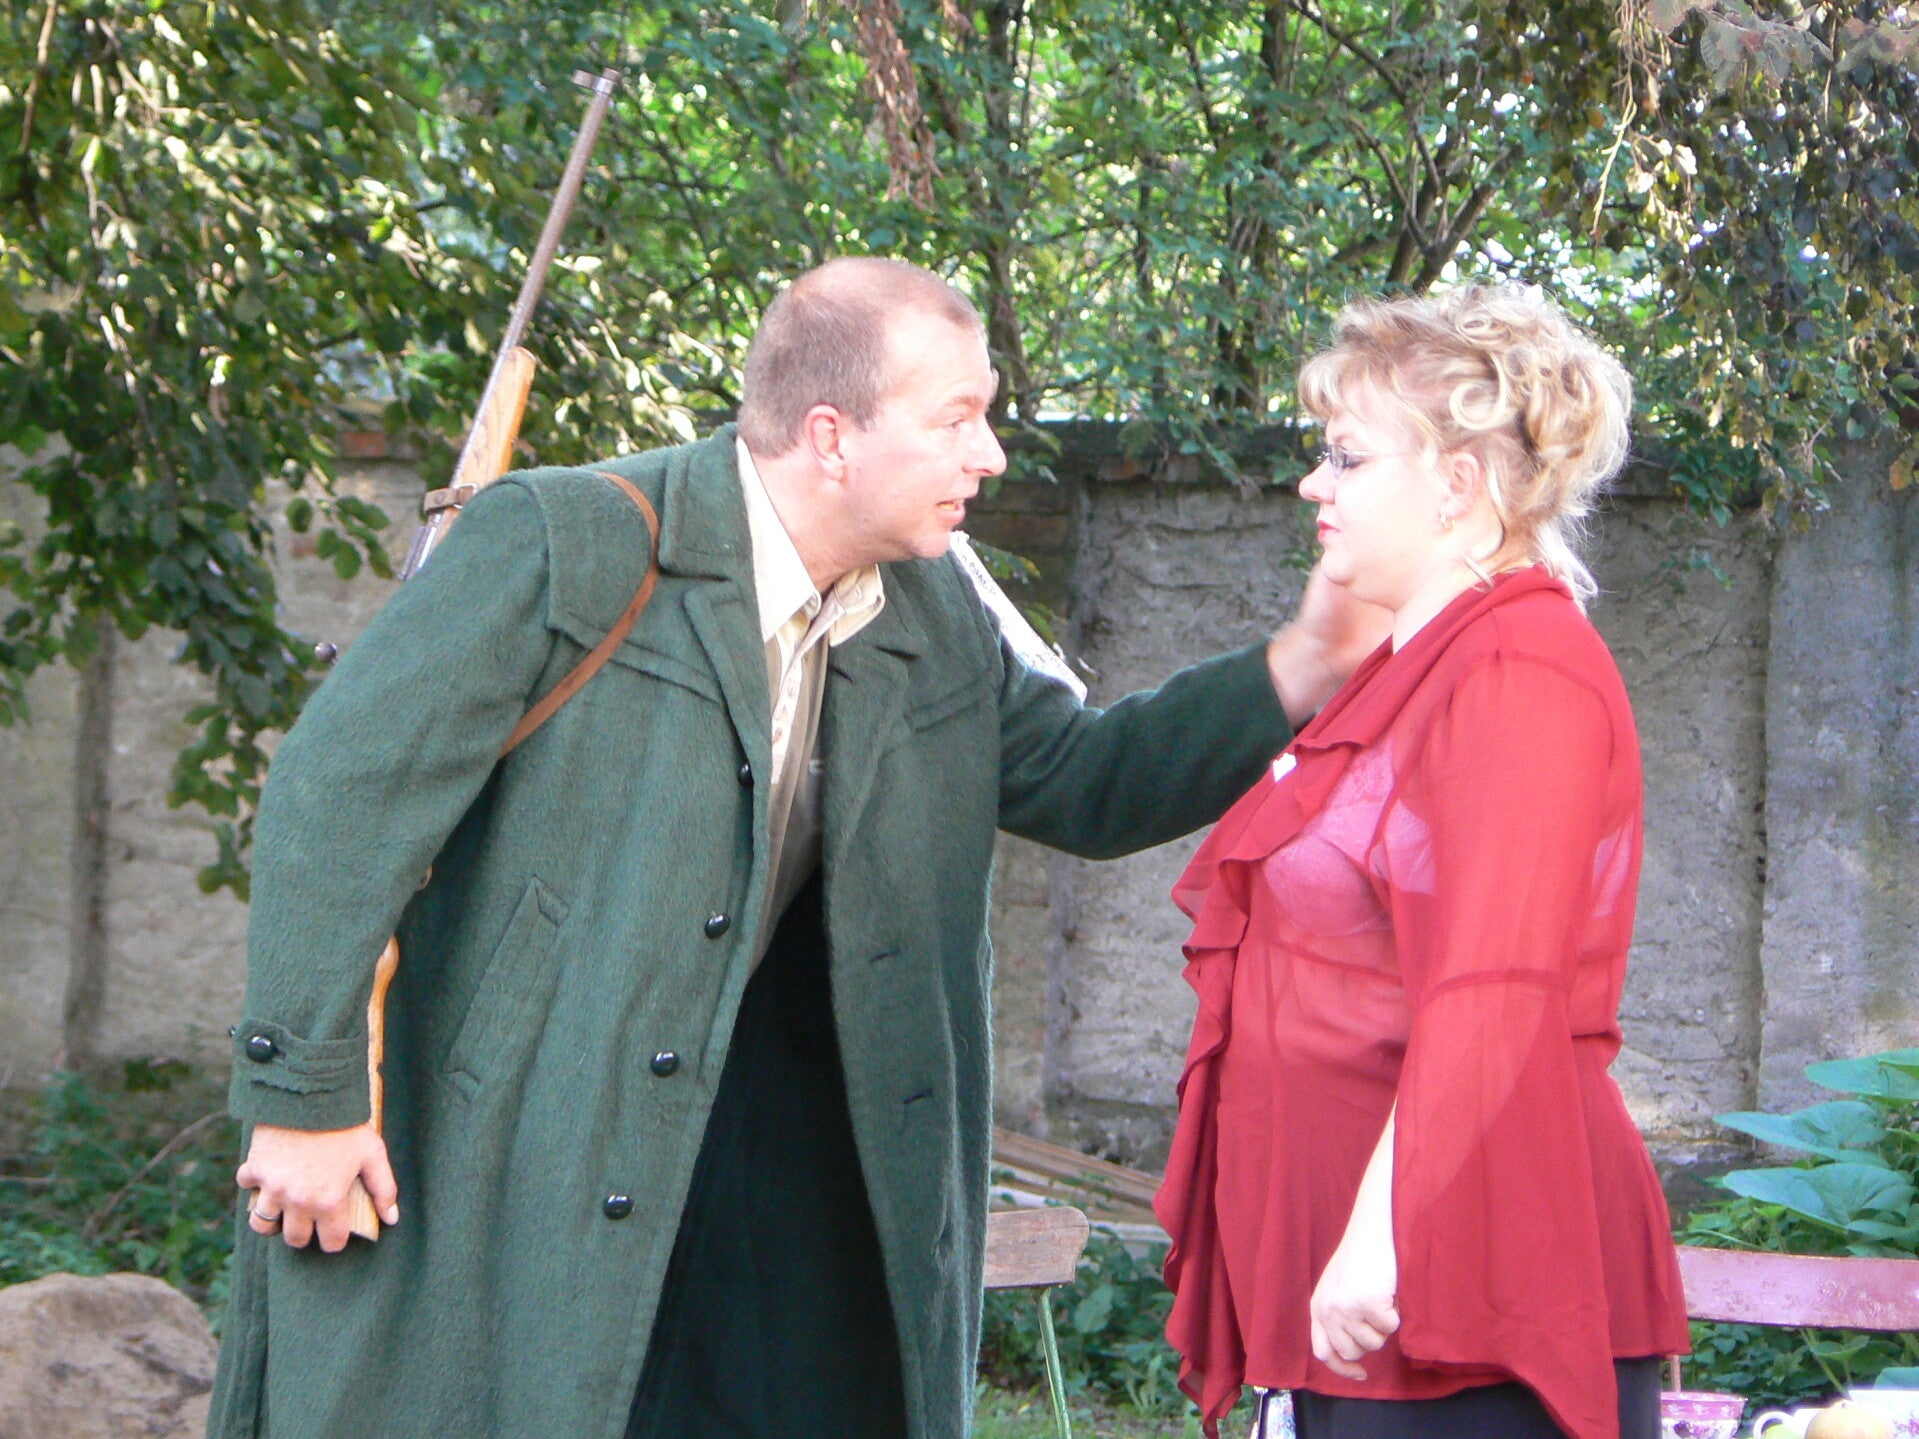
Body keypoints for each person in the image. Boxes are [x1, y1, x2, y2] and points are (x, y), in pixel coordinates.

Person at [208, 256, 1385, 1439]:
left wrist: (1306, 660)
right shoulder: (566, 541)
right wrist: (304, 1101)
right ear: (830, 436)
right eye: (955, 420)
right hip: (528, 1140)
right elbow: (338, 797)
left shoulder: (935, 606)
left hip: (775, 1188)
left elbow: (1086, 779)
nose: (987, 456)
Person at [1153, 285, 1692, 1439]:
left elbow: (1495, 986)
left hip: (1452, 1293)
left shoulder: (1516, 666)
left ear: (1456, 482)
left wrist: (1379, 1231)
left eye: (1346, 457)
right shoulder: (1417, 666)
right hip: (1375, 1295)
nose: (1313, 485)